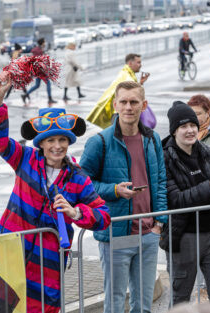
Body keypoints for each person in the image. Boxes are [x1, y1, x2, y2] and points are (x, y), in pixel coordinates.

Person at [0, 71, 110, 312]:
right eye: (51, 140)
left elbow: (103, 215)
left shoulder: (77, 177)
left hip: (47, 264)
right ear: (41, 143)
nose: (57, 146)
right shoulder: (25, 158)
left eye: (63, 140)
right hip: (9, 253)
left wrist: (76, 213)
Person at [80, 81, 167, 313]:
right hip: (116, 234)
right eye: (124, 102)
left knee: (143, 303)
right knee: (115, 302)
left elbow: (159, 183)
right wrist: (114, 190)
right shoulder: (99, 142)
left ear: (144, 105)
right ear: (115, 105)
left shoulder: (153, 139)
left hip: (148, 234)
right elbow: (82, 186)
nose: (129, 107)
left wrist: (160, 223)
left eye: (134, 102)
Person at [160, 101, 210, 305]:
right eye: (183, 126)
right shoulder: (164, 158)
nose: (190, 130)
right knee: (180, 299)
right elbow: (176, 200)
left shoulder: (207, 152)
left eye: (193, 125)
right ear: (174, 130)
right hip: (183, 235)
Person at [87, 53, 151, 129]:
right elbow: (133, 93)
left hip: (118, 112)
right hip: (120, 113)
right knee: (119, 137)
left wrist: (140, 83)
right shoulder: (127, 76)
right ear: (130, 63)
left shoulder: (126, 73)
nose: (140, 65)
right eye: (138, 62)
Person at [21, 38, 57, 104]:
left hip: (38, 71)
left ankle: (25, 95)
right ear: (42, 43)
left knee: (37, 85)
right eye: (44, 42)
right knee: (48, 84)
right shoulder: (39, 50)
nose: (45, 43)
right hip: (41, 71)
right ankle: (50, 98)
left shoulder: (38, 49)